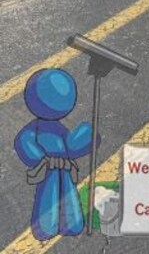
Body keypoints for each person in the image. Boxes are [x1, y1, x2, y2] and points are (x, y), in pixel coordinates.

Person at [14, 69, 94, 241]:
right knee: (50, 193)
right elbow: (25, 140)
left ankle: (71, 224)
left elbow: (71, 144)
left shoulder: (58, 129)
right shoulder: (38, 128)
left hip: (62, 168)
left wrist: (86, 136)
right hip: (50, 168)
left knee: (67, 194)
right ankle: (47, 227)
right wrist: (39, 157)